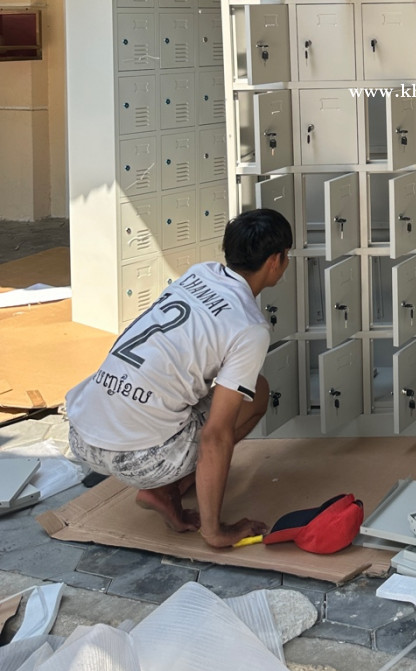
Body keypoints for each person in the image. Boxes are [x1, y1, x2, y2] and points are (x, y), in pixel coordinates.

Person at [66, 207, 292, 548]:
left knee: (234, 388)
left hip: (82, 431)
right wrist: (215, 532)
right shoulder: (250, 327)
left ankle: (163, 491)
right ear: (275, 261)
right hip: (139, 458)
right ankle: (163, 487)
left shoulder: (200, 273)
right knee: (254, 397)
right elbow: (216, 436)